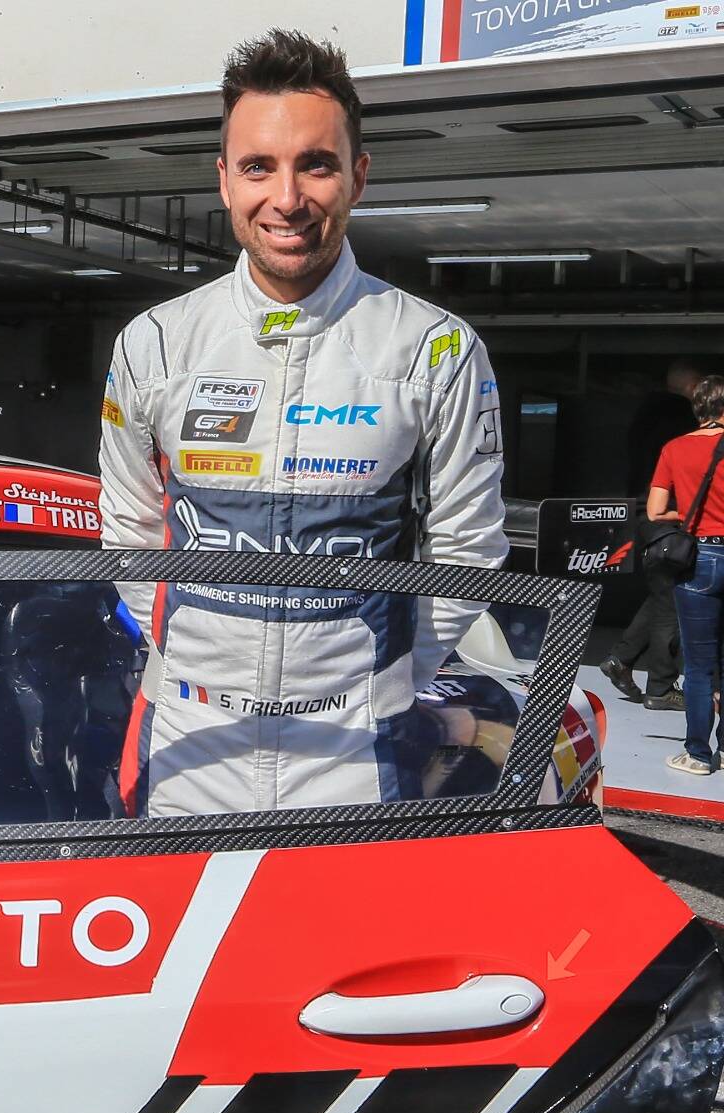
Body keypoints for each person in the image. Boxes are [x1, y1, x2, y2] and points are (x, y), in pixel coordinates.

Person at [98, 29, 506, 818]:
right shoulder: (151, 343)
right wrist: (191, 668)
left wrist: (387, 684)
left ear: (357, 175)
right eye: (258, 166)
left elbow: (468, 548)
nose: (286, 199)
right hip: (191, 741)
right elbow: (126, 525)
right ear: (223, 180)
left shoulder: (437, 348)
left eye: (315, 164)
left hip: (358, 749)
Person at [603, 360, 704, 709]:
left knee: (664, 593)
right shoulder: (681, 423)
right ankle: (661, 686)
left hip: (645, 510)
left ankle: (622, 659)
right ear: (692, 389)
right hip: (667, 515)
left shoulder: (646, 417)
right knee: (672, 604)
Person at [647, 374, 724, 775]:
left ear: (698, 409)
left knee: (698, 666)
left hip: (703, 556)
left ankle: (697, 754)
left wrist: (689, 514)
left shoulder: (675, 449)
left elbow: (656, 512)